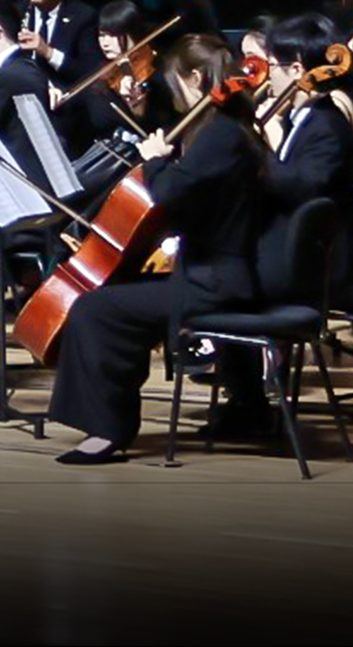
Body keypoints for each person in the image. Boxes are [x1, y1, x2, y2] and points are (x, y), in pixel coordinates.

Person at [49, 34, 271, 463]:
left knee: (96, 309)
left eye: (175, 84)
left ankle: (107, 430)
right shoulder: (234, 130)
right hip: (220, 273)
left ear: (196, 78)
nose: (173, 96)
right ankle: (247, 407)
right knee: (120, 300)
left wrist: (154, 160)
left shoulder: (219, 136)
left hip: (213, 282)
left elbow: (170, 192)